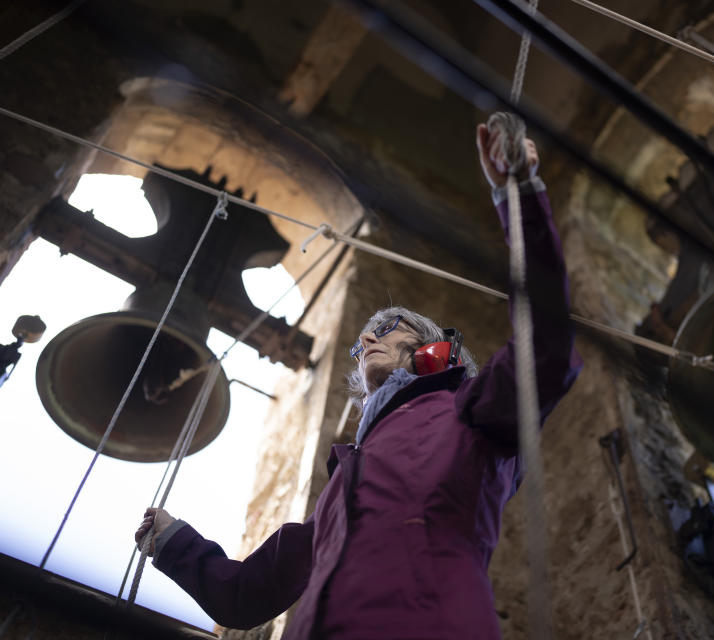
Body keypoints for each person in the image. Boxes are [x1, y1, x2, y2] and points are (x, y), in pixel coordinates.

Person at [134, 119, 582, 639]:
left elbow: (547, 344)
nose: (366, 340)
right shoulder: (342, 488)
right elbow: (243, 595)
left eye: (385, 330)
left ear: (430, 349)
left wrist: (520, 194)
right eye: (360, 339)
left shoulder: (469, 412)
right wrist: (173, 542)